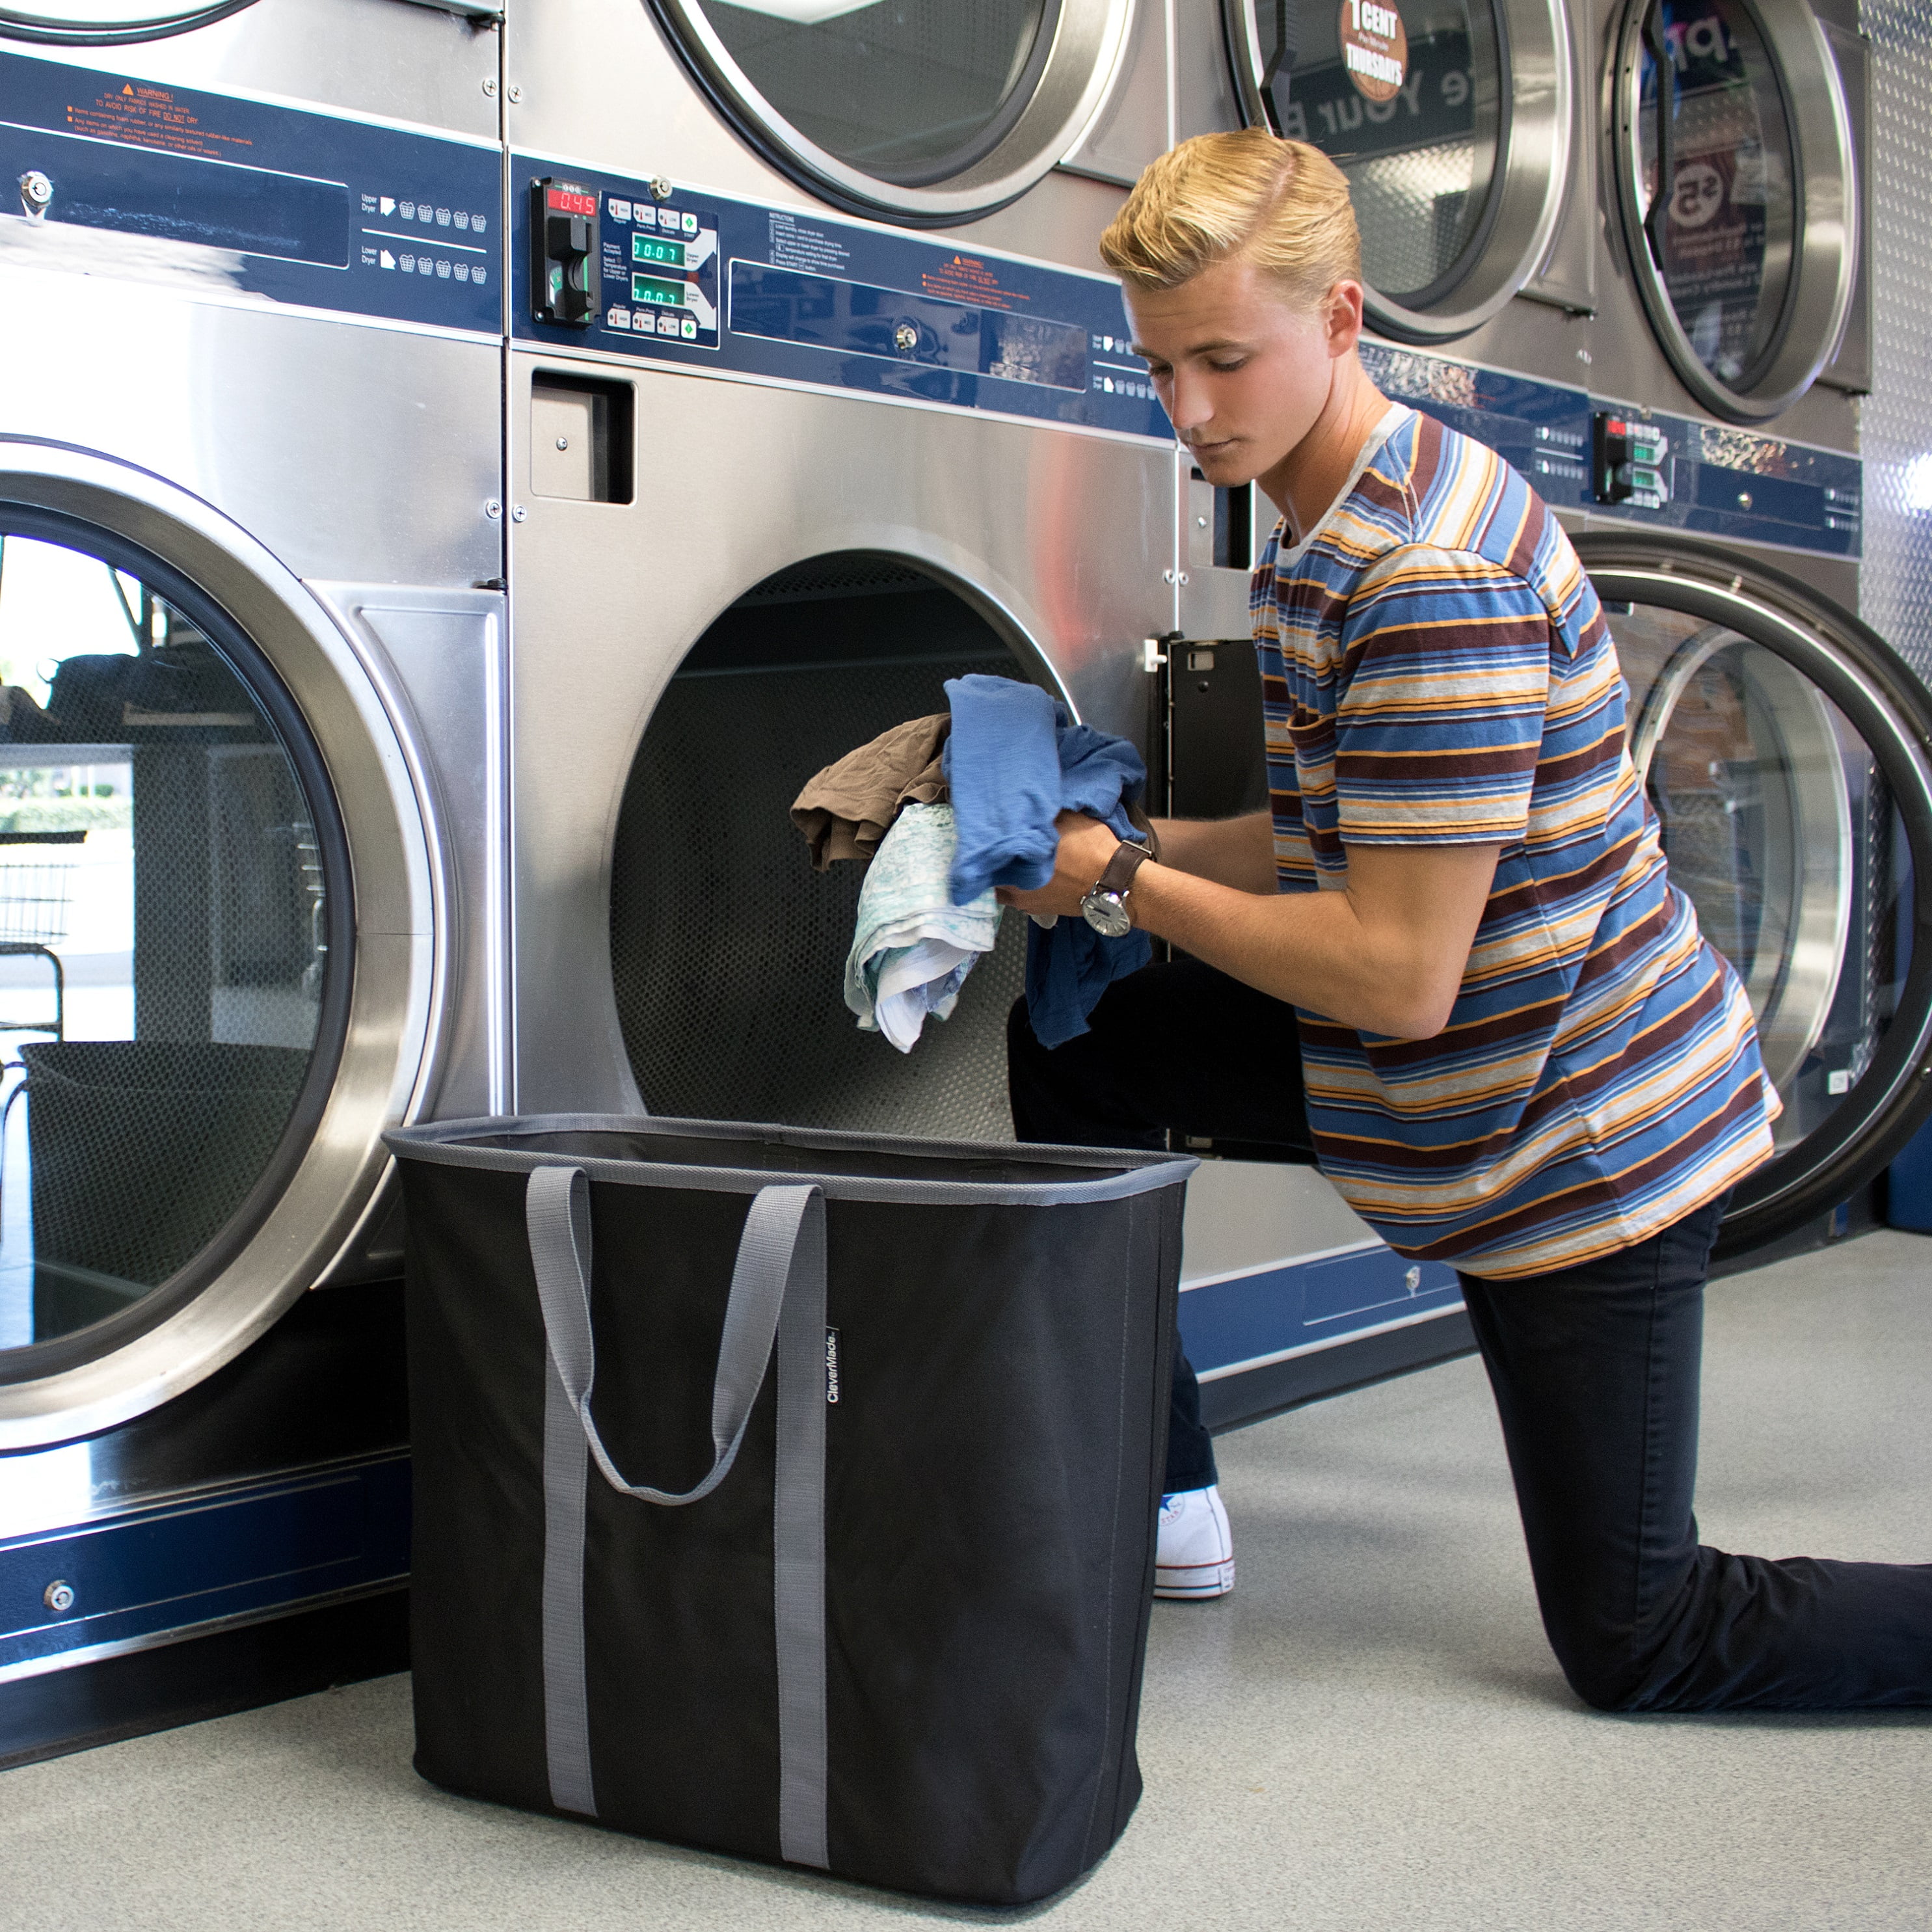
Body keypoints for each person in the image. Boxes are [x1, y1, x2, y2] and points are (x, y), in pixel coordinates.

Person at [1002, 127, 1932, 1708]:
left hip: (1578, 1131)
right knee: (1087, 1045)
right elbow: (1323, 842)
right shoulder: (1332, 511)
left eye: (1225, 360)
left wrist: (1116, 881)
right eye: (1160, 368)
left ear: (1346, 319)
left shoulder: (1422, 573)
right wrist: (1134, 840)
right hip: (1450, 1076)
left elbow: (1397, 971)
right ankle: (1162, 1500)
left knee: (1645, 1640)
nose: (1189, 410)